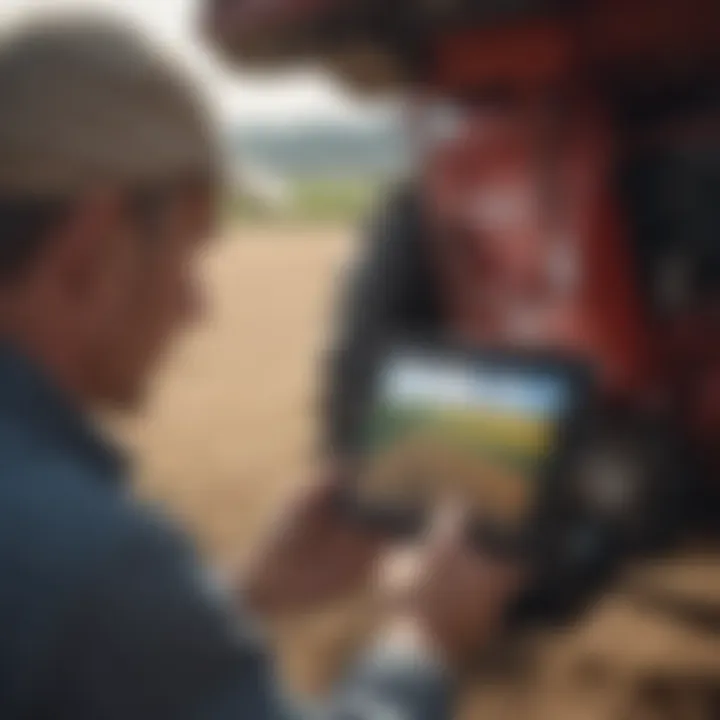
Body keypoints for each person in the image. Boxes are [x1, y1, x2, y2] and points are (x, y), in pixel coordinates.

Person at [0, 14, 521, 720]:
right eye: (186, 254)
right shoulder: (93, 557)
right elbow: (76, 594)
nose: (195, 308)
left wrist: (244, 590)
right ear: (88, 254)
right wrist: (423, 641)